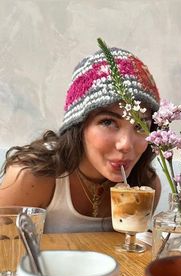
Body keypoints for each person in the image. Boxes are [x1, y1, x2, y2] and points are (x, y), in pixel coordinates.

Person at [0, 46, 161, 233]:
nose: (125, 144)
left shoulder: (146, 185)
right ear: (78, 125)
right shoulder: (33, 176)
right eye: (108, 122)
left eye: (140, 126)